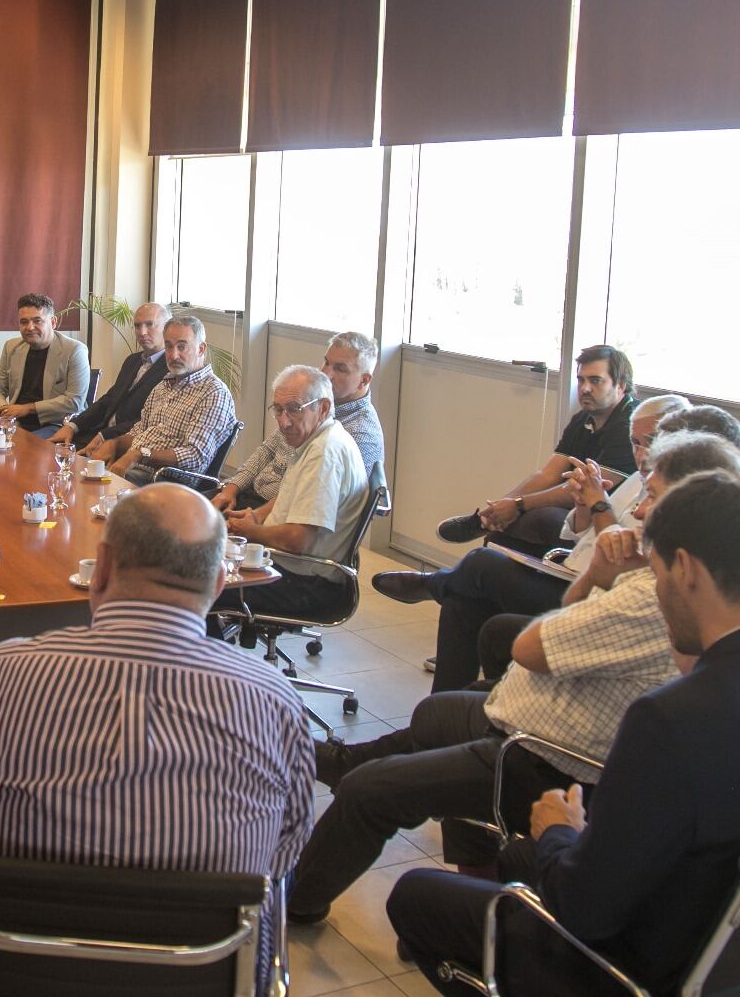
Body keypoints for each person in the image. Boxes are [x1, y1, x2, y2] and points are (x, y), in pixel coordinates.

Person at [287, 431, 740, 926]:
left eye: (651, 496)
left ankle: (299, 902)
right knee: (437, 714)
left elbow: (531, 647)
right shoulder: (657, 580)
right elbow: (571, 621)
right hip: (533, 722)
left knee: (370, 790)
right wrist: (601, 574)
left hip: (539, 753)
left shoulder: (655, 595)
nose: (635, 509)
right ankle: (473, 881)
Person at [0, 483, 317, 975]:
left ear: (100, 569)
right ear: (217, 586)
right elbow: (283, 850)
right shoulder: (275, 702)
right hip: (199, 979)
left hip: (13, 973)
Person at [387, 469, 740, 997]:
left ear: (686, 568)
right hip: (707, 947)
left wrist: (557, 829)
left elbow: (584, 908)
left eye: (659, 573)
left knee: (414, 896)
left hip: (620, 963)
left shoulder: (668, 720)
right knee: (508, 855)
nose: (657, 593)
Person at [373, 393, 692, 692]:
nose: (641, 453)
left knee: (479, 564)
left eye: (649, 442)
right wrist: (583, 505)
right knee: (465, 599)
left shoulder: (672, 494)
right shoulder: (638, 478)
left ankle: (435, 584)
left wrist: (598, 504)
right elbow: (579, 531)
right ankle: (444, 701)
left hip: (588, 596)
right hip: (566, 571)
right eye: (635, 443)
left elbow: (620, 557)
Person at [435, 345, 638, 557]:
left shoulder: (630, 426)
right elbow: (548, 474)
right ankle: (488, 526)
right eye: (581, 380)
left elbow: (585, 490)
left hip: (608, 519)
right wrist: (502, 507)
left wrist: (519, 505)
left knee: (539, 518)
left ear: (621, 385)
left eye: (595, 380)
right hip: (579, 509)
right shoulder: (583, 418)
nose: (585, 388)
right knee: (500, 535)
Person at [219, 367, 369, 618]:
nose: (283, 421)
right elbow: (292, 493)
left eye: (294, 409)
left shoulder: (324, 454)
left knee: (195, 583)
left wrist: (252, 532)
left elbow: (298, 540)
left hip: (305, 583)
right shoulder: (319, 437)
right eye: (278, 409)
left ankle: (211, 653)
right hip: (292, 564)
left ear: (322, 408)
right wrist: (256, 516)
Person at [213, 332, 385, 512]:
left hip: (278, 515)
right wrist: (231, 489)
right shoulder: (313, 396)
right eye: (326, 362)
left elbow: (320, 504)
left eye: (340, 369)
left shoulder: (361, 434)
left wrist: (253, 519)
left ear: (364, 380)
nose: (326, 373)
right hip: (250, 496)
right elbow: (268, 449)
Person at [104, 315, 235, 480]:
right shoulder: (163, 385)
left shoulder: (214, 393)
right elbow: (139, 431)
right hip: (134, 467)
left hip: (165, 480)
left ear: (201, 349)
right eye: (168, 347)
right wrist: (113, 444)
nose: (173, 355)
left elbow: (195, 456)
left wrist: (140, 455)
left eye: (182, 347)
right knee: (78, 473)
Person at [48, 302, 169, 453]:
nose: (142, 332)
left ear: (167, 328)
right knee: (51, 452)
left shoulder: (171, 370)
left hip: (126, 444)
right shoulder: (132, 360)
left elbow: (148, 421)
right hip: (99, 432)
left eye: (150, 324)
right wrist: (73, 426)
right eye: (137, 326)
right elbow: (109, 400)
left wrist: (104, 436)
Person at [0, 293, 88, 436]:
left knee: (20, 446)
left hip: (55, 424)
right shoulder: (11, 347)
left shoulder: (75, 351)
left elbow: (74, 401)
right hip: (16, 422)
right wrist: (5, 412)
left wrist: (27, 409)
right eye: (24, 322)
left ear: (53, 322)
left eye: (37, 321)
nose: (30, 327)